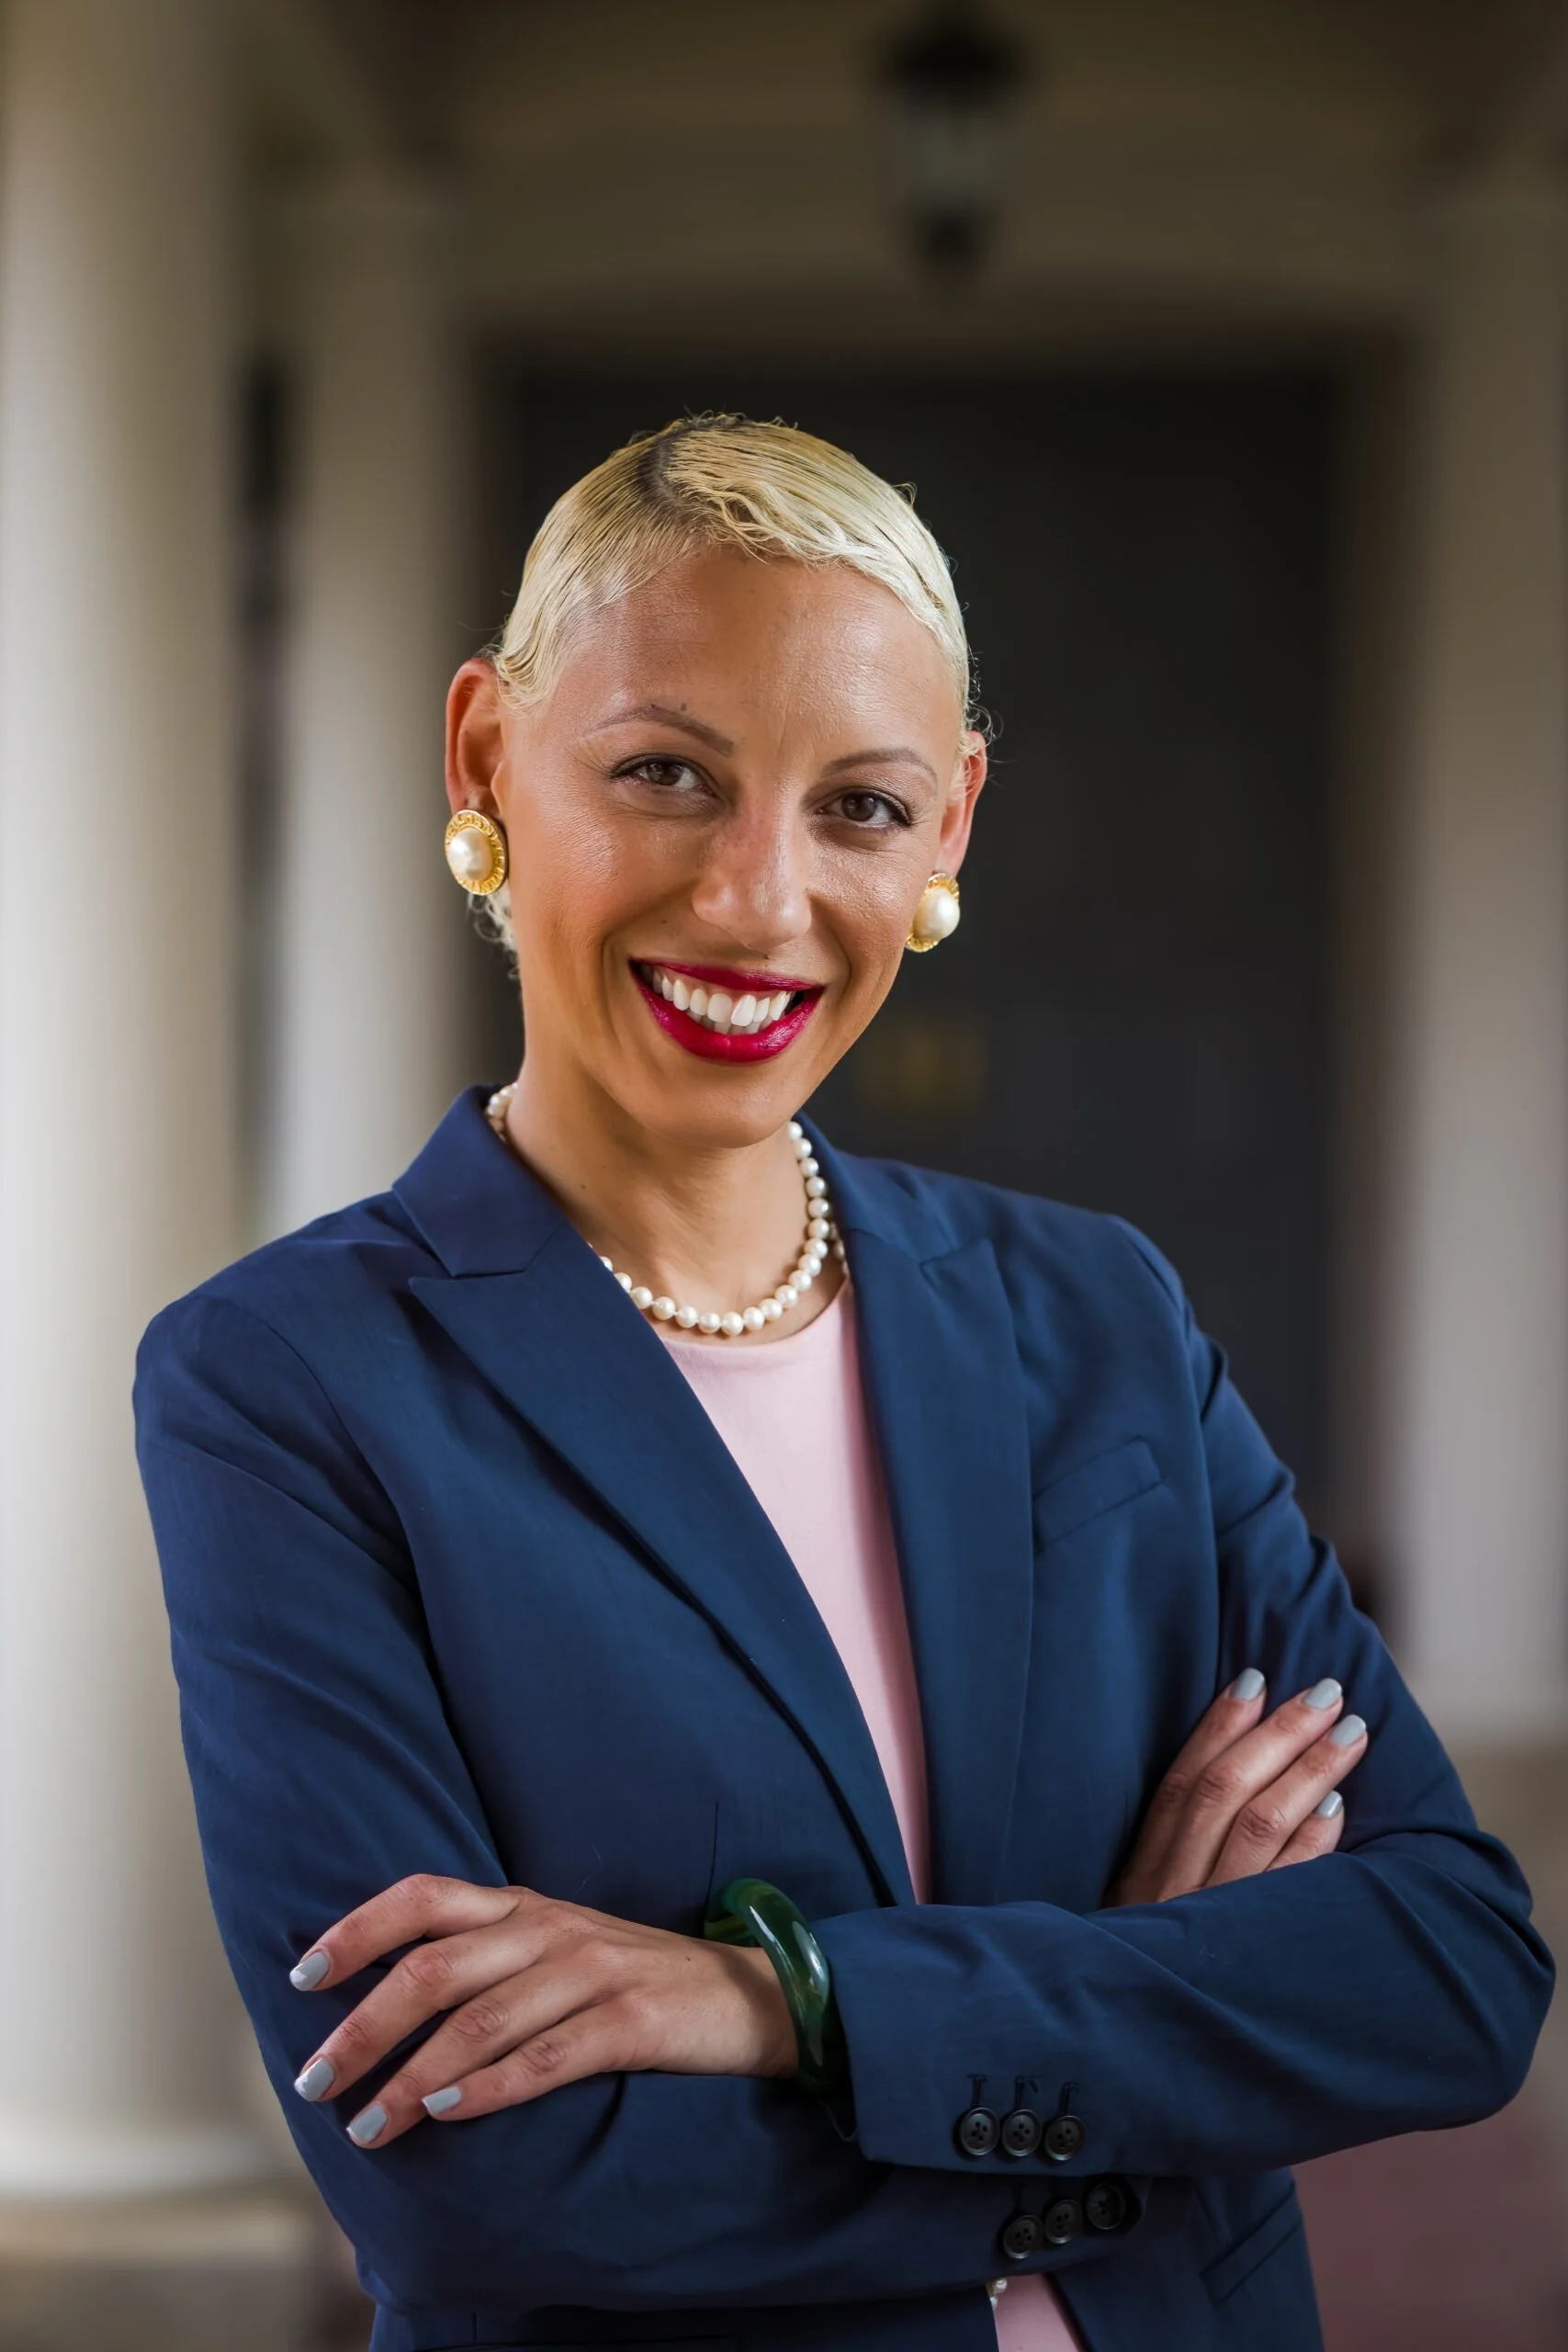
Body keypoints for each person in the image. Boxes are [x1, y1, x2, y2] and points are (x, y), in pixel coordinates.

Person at [134, 416, 1551, 2352]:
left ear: (950, 826)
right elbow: (477, 2190)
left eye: (859, 807)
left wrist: (788, 1999)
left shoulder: (1096, 1314)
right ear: (483, 758)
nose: (754, 898)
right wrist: (1150, 2027)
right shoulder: (291, 1380)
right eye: (661, 774)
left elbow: (1447, 1968)